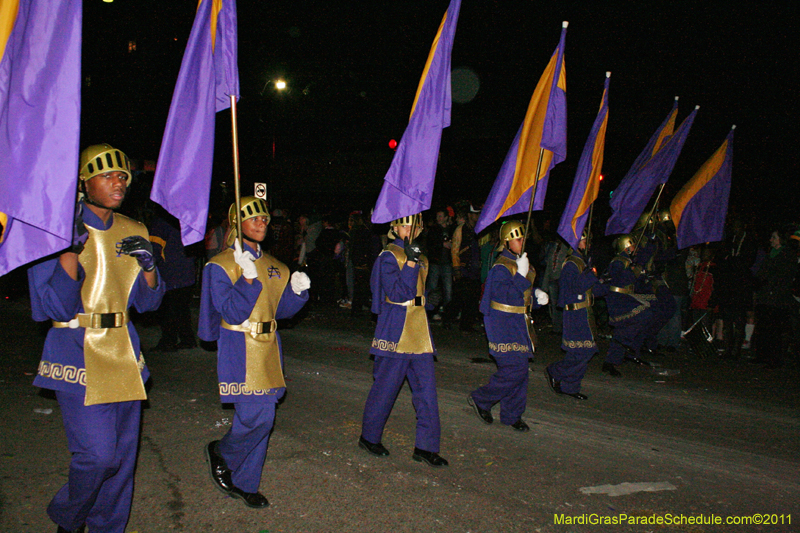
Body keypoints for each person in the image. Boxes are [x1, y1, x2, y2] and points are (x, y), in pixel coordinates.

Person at [28, 144, 165, 533]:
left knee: (122, 460)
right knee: (98, 456)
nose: (118, 181)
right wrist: (69, 252)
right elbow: (53, 307)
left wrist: (150, 267)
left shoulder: (134, 229)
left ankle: (108, 527)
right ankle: (69, 517)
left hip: (123, 349)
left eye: (122, 175)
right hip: (76, 350)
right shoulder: (54, 230)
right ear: (84, 183)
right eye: (106, 175)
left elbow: (149, 303)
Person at [198, 196, 310, 508]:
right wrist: (246, 280)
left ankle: (245, 482)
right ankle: (223, 453)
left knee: (265, 416)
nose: (262, 223)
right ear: (237, 223)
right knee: (256, 418)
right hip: (239, 346)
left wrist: (298, 293)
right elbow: (232, 313)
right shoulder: (221, 265)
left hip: (269, 348)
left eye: (264, 218)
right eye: (253, 218)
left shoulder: (275, 266)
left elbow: (280, 310)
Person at [359, 214, 448, 467]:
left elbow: (418, 292)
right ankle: (369, 436)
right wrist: (410, 261)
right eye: (405, 224)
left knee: (427, 393)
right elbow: (398, 293)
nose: (411, 229)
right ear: (395, 227)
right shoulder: (390, 256)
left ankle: (426, 446)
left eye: (416, 224)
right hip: (396, 331)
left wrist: (430, 299)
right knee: (385, 390)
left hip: (418, 332)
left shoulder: (421, 257)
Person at [468, 221, 548, 431]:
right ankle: (481, 399)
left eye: (523, 238)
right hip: (502, 323)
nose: (522, 242)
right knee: (514, 370)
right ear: (506, 242)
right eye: (517, 239)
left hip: (519, 324)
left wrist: (537, 297)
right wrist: (521, 278)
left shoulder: (524, 264)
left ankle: (512, 414)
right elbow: (506, 295)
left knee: (521, 372)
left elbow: (523, 295)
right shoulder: (501, 267)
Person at [545, 231, 609, 400]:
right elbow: (576, 288)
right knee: (581, 351)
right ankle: (556, 371)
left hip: (585, 312)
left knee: (584, 351)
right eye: (585, 240)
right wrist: (591, 275)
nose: (588, 243)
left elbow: (592, 289)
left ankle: (570, 386)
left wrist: (605, 284)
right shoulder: (571, 263)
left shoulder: (582, 262)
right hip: (574, 313)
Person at [602, 234, 655, 376]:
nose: (635, 248)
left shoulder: (628, 260)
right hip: (618, 300)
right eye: (632, 245)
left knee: (626, 329)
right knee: (642, 317)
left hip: (626, 298)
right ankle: (625, 349)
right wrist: (635, 271)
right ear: (625, 247)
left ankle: (618, 356)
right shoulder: (619, 261)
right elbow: (620, 280)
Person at [149, 209, 197, 351]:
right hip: (187, 274)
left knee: (168, 312)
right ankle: (187, 339)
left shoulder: (160, 224)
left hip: (169, 276)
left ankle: (168, 342)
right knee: (182, 310)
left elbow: (153, 250)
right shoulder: (187, 222)